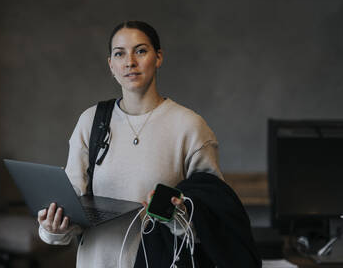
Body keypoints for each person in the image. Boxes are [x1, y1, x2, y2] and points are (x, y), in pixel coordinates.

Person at [37, 21, 223, 267]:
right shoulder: (90, 121)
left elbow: (215, 219)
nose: (130, 62)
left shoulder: (190, 126)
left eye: (141, 51)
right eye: (119, 53)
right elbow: (72, 205)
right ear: (111, 65)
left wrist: (175, 214)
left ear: (158, 58)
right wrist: (54, 226)